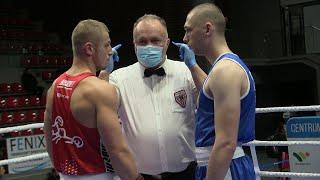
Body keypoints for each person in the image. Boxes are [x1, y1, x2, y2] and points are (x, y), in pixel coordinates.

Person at [99, 14, 197, 180]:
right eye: (142, 41)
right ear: (134, 44)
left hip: (186, 172)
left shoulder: (186, 71)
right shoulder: (118, 78)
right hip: (139, 175)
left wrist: (194, 67)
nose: (149, 46)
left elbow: (210, 103)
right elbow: (101, 109)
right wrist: (104, 72)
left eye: (155, 40)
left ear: (166, 43)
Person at [43, 19, 142, 180]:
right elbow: (117, 150)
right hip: (98, 174)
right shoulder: (100, 90)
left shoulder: (56, 85)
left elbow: (49, 136)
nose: (110, 51)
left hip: (65, 174)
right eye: (107, 45)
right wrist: (136, 178)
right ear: (89, 49)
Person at [173, 3, 256, 180]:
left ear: (208, 29)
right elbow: (209, 94)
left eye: (188, 30)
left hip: (224, 166)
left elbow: (226, 143)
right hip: (221, 165)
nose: (185, 38)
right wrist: (192, 65)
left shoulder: (224, 71)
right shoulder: (224, 68)